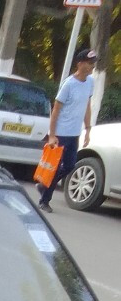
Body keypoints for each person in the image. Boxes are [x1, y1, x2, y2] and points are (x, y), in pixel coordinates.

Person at [37, 48, 97, 213]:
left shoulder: (90, 82)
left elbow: (87, 106)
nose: (92, 66)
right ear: (80, 63)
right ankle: (44, 200)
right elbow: (55, 110)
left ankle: (44, 185)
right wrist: (52, 135)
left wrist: (88, 129)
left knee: (70, 165)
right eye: (89, 63)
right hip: (61, 133)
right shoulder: (69, 84)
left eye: (93, 64)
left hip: (74, 133)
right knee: (55, 168)